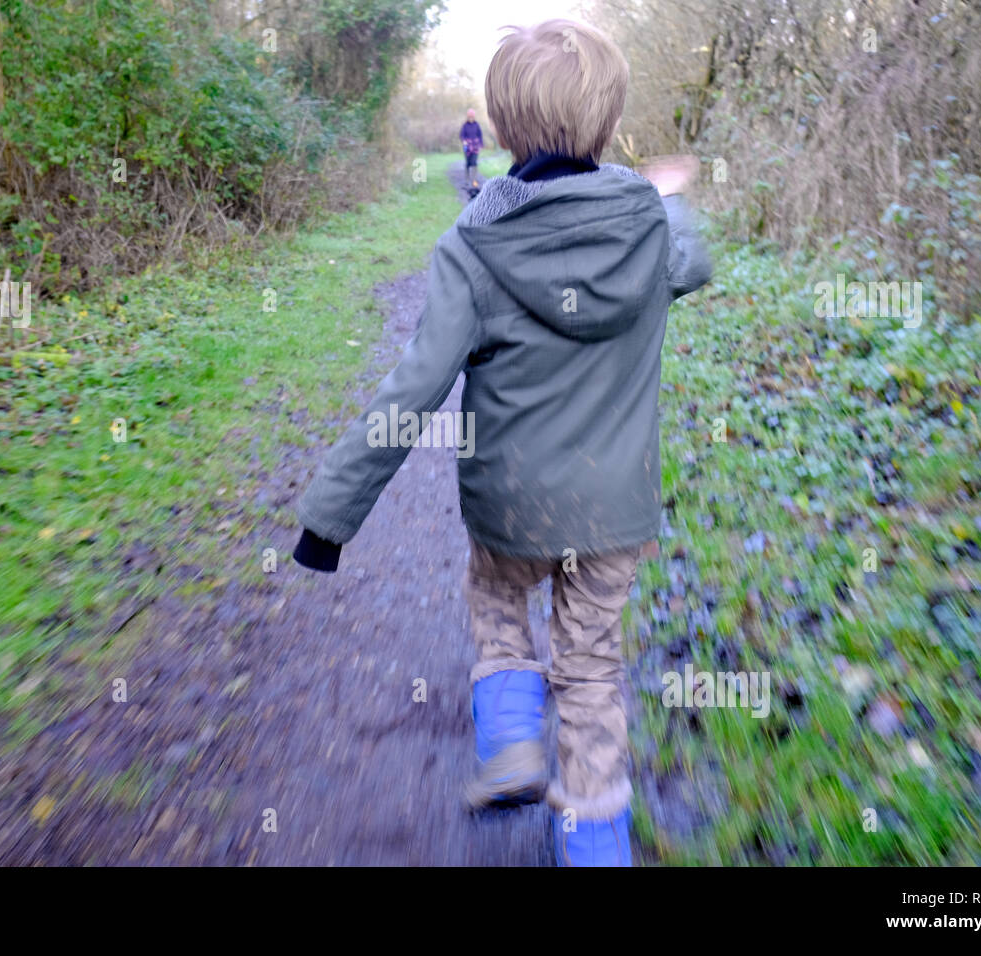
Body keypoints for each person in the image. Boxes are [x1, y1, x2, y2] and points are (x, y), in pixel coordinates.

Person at [291, 19, 711, 866]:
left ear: (504, 128)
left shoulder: (474, 244)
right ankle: (595, 844)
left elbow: (412, 391)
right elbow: (691, 264)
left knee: (496, 605)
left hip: (509, 506)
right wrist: (668, 196)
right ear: (608, 123)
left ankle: (513, 744)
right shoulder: (648, 226)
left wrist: (330, 517)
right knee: (591, 670)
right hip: (614, 512)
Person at [460, 108, 483, 187]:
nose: (471, 118)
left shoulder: (477, 125)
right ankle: (467, 180)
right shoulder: (465, 125)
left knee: (474, 163)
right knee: (468, 163)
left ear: (474, 117)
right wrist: (464, 141)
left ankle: (474, 180)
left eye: (472, 116)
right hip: (467, 148)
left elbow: (480, 135)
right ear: (467, 117)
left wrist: (480, 144)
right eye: (469, 117)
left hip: (475, 147)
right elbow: (462, 135)